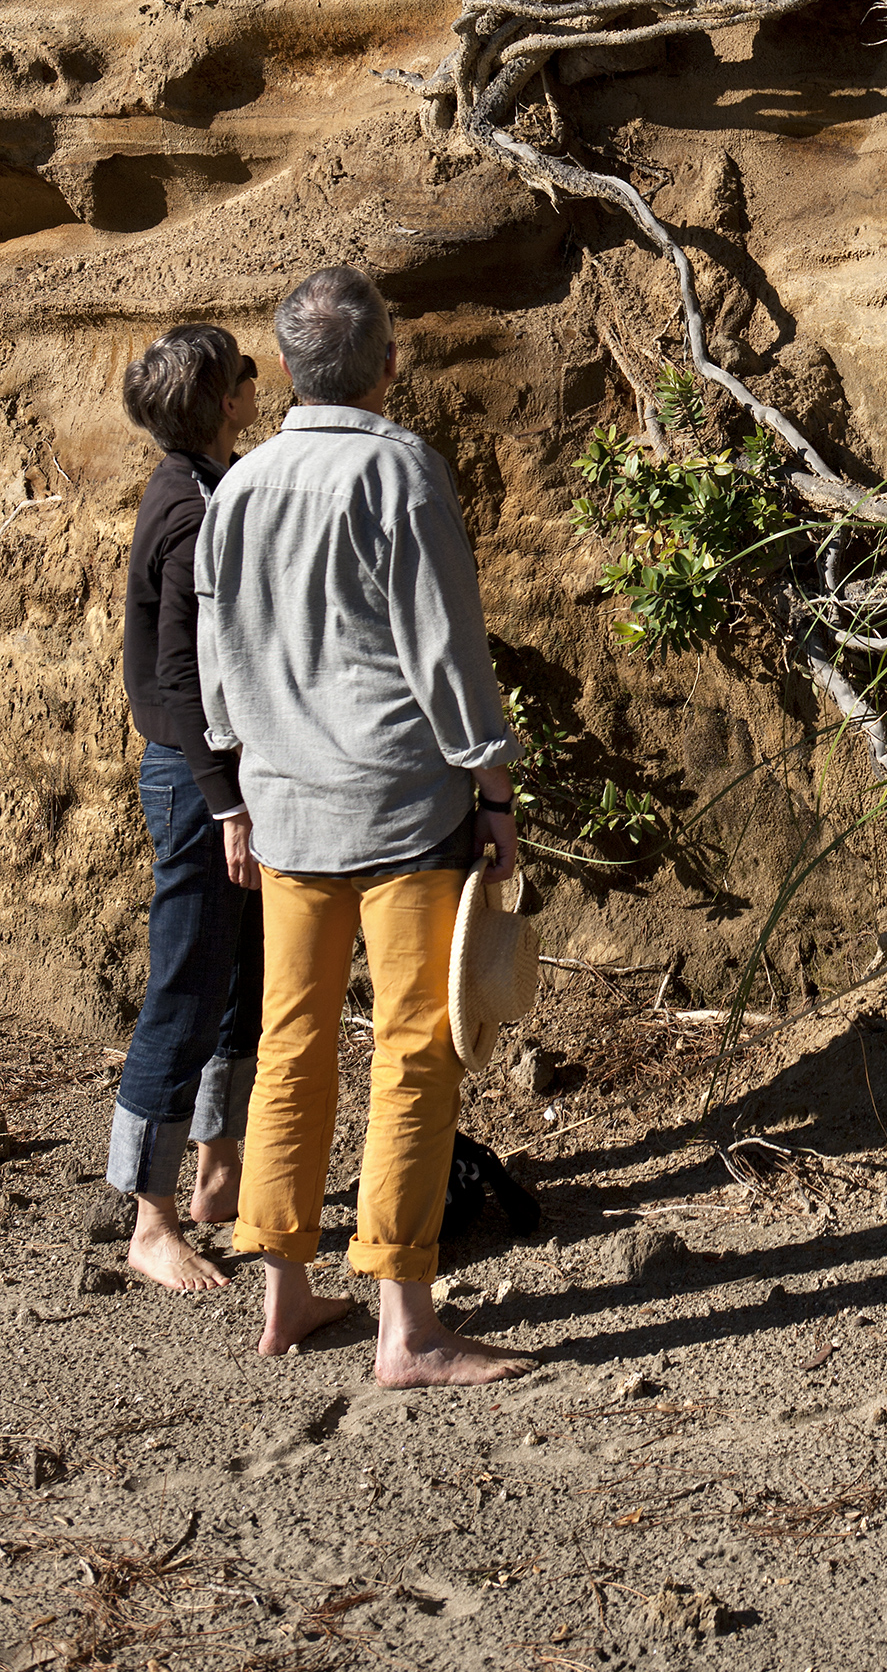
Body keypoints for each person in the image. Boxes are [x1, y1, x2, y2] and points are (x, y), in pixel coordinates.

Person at [196, 265, 529, 1388]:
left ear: (286, 368)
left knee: (290, 1043)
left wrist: (237, 785)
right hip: (398, 805)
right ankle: (406, 1323)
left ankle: (285, 1293)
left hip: (285, 806)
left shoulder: (240, 485)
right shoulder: (399, 469)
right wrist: (493, 788)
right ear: (391, 363)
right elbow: (446, 649)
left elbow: (217, 662)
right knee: (413, 1050)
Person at [115, 324, 263, 1295]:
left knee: (239, 973)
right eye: (243, 370)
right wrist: (224, 804)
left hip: (227, 775)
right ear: (217, 401)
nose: (259, 379)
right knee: (184, 985)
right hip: (195, 777)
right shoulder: (184, 508)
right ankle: (149, 1219)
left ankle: (216, 1176)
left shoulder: (212, 483)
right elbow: (175, 673)